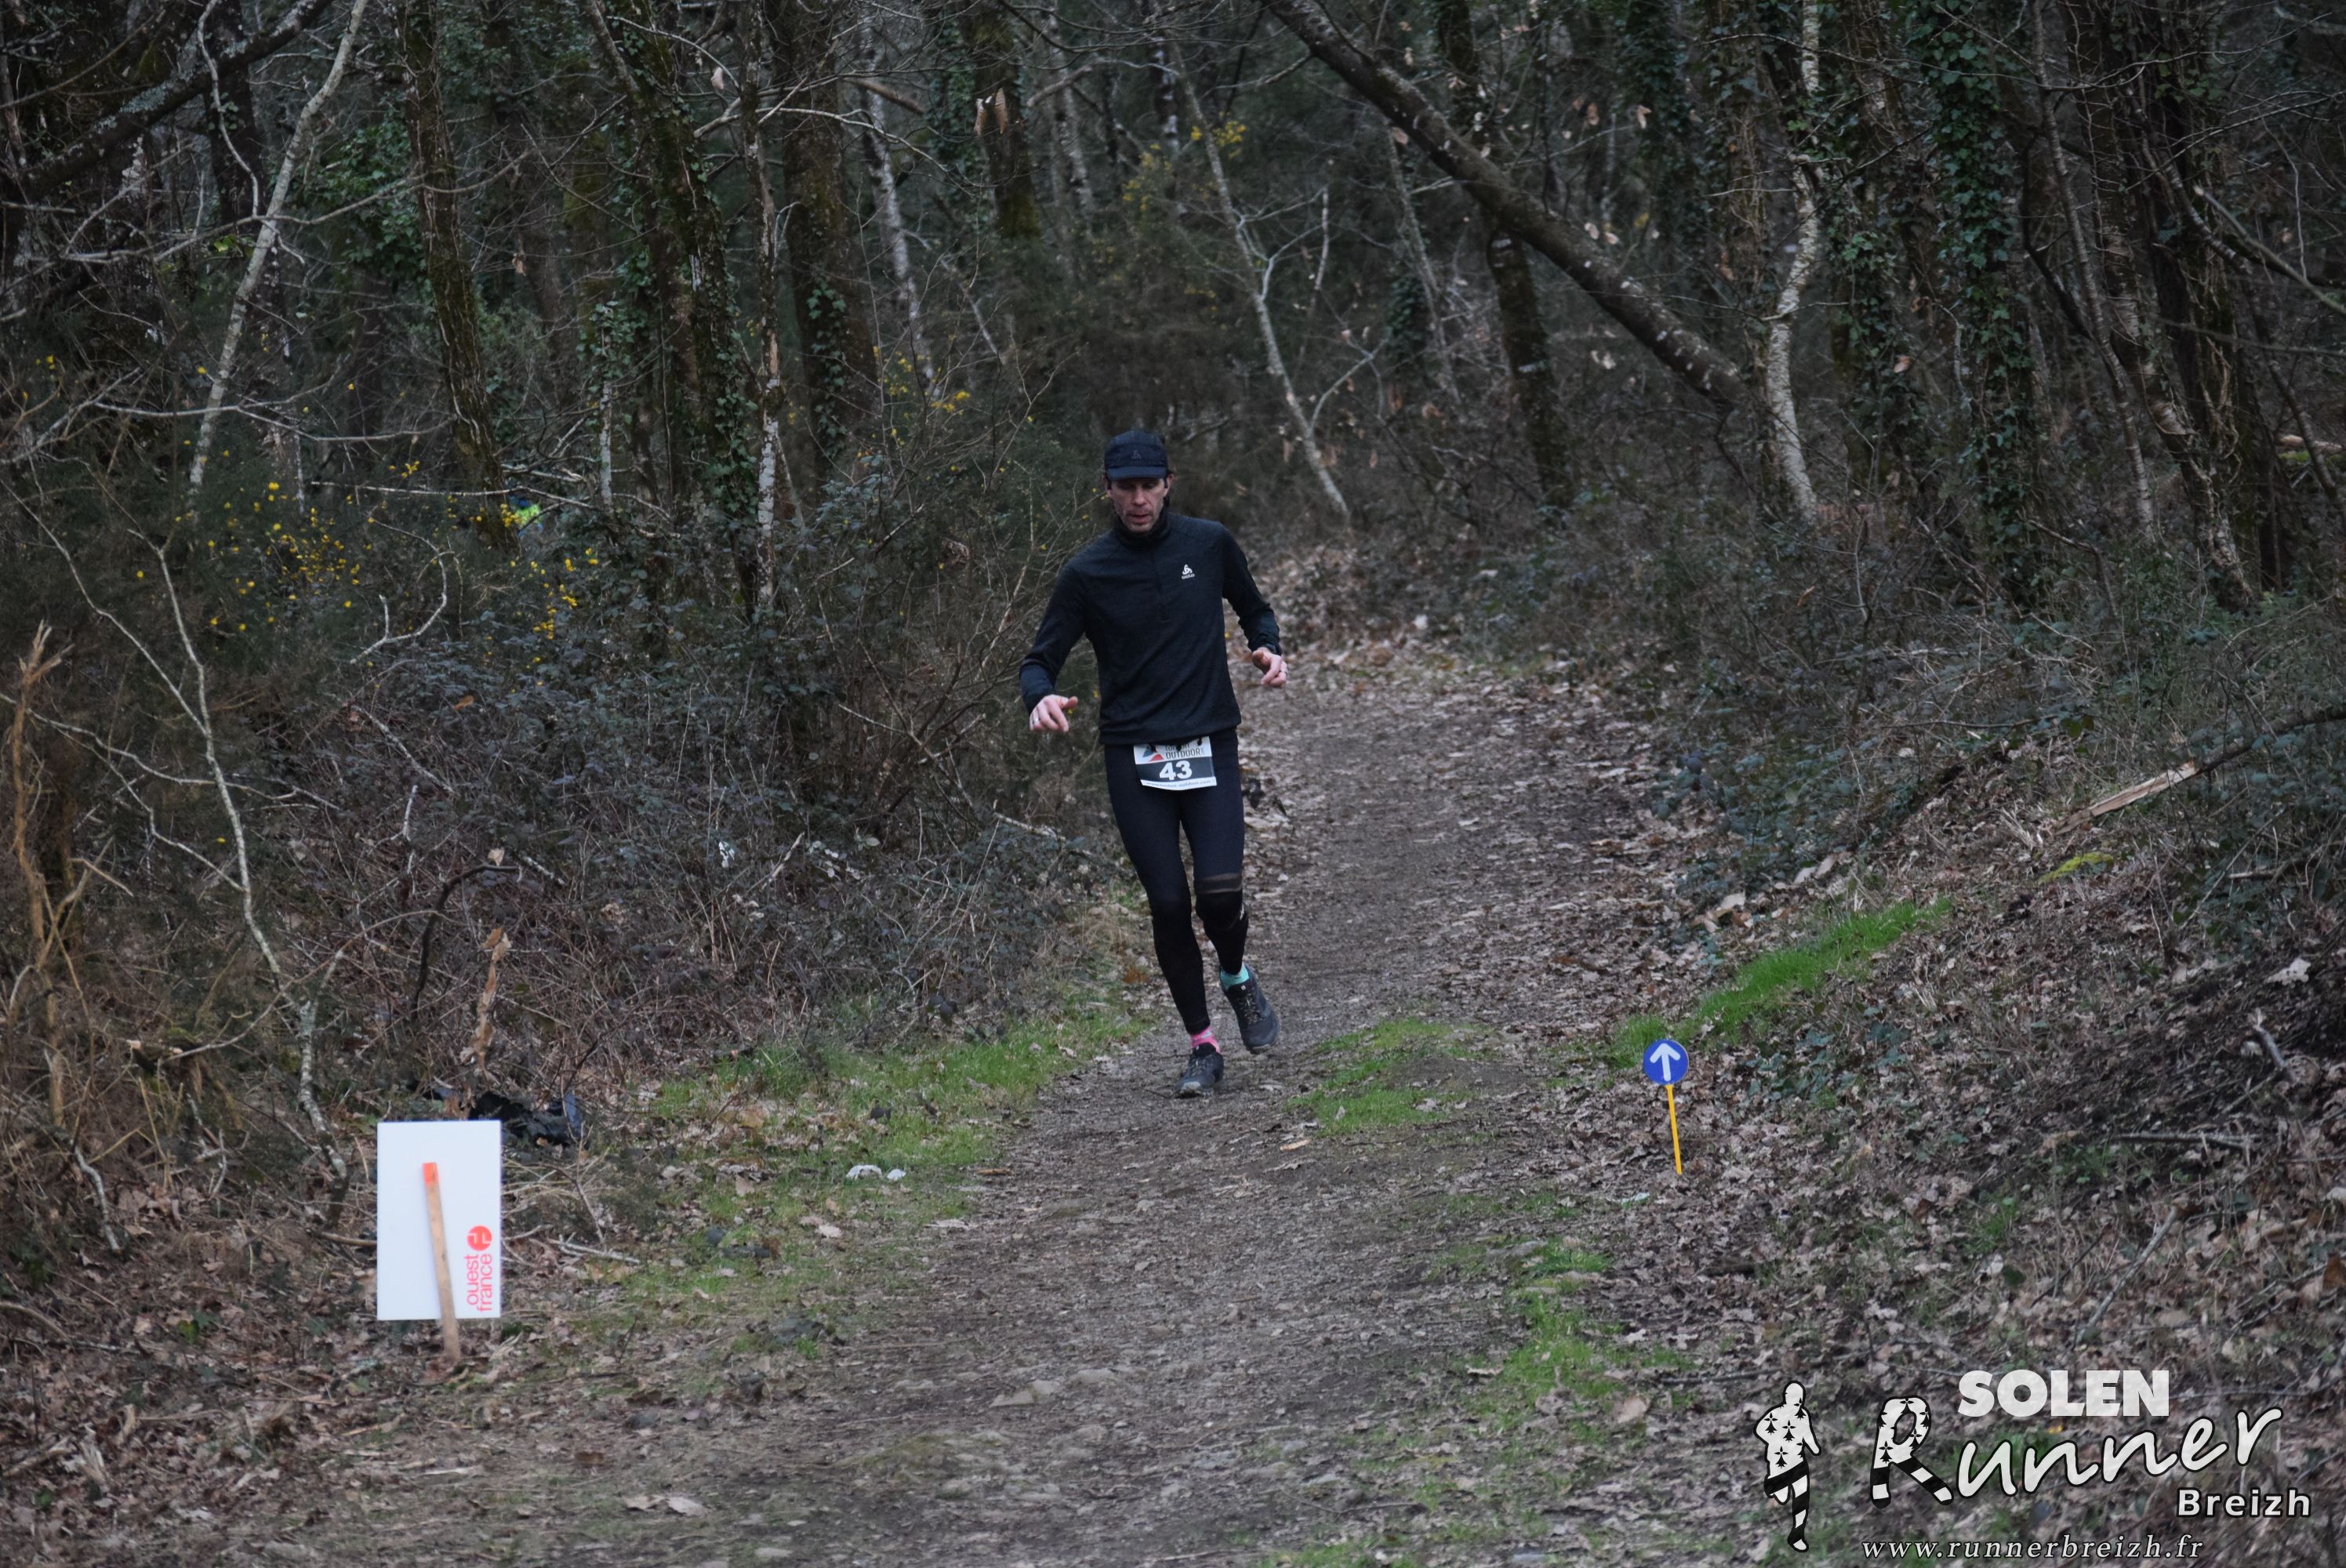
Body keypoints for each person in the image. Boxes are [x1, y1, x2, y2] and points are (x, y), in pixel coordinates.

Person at [1020, 429, 1286, 1097]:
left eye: (1149, 485)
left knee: (1219, 893)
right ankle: (1203, 1046)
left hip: (1208, 741)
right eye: (1126, 487)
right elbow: (1039, 659)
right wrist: (1040, 695)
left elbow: (1254, 609)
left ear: (1168, 484)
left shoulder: (1209, 543)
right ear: (1107, 490)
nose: (1138, 499)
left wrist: (1268, 647)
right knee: (1168, 902)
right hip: (1134, 752)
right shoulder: (1088, 573)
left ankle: (1237, 976)